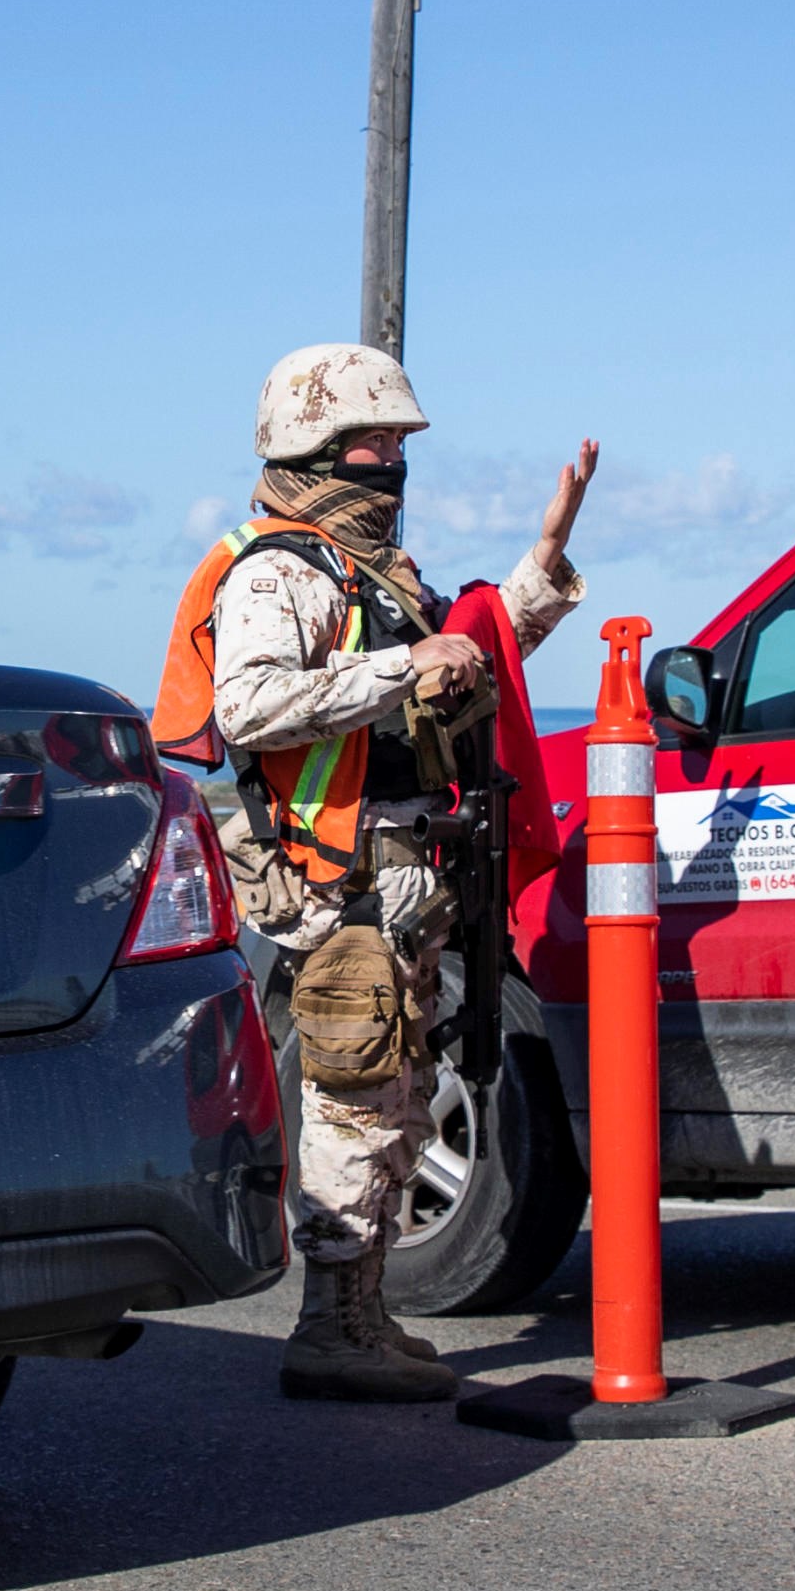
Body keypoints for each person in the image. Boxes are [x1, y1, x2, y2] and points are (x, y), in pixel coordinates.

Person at [156, 346, 591, 1401]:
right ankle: (329, 1330)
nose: (395, 458)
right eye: (378, 439)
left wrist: (544, 561)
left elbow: (467, 657)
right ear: (316, 443)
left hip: (399, 878)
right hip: (335, 885)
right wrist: (406, 665)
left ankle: (365, 1314)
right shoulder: (278, 569)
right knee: (353, 1101)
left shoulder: (367, 574)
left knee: (395, 1104)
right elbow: (250, 706)